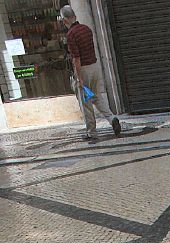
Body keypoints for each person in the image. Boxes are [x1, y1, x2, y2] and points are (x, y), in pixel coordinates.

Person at [60, 5, 121, 141]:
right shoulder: (86, 29)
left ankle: (91, 132)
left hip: (84, 70)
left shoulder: (71, 34)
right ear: (74, 16)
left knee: (86, 103)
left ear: (65, 20)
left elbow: (76, 58)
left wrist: (78, 77)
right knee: (96, 96)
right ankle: (112, 118)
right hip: (94, 67)